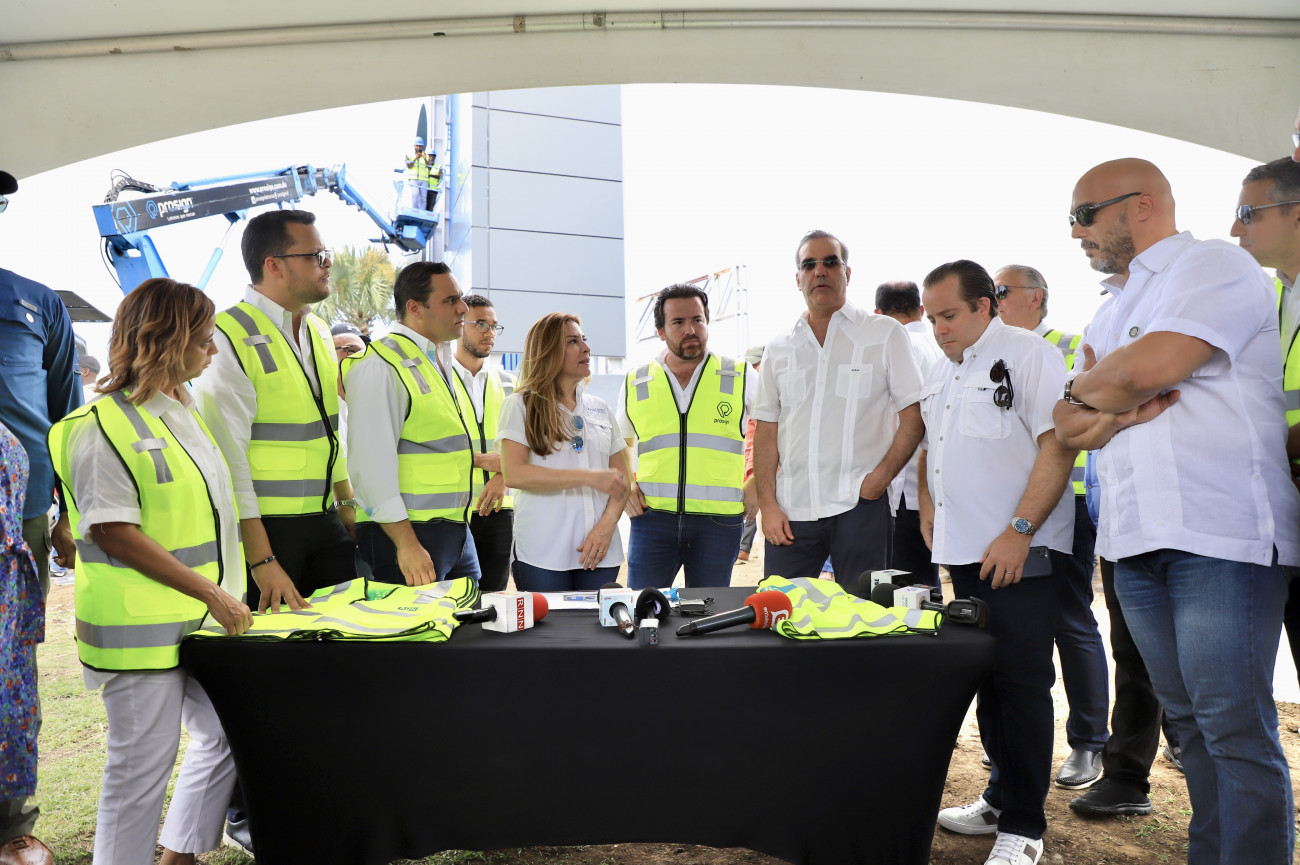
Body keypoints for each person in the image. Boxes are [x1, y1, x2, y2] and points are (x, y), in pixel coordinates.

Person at [1054, 157, 1299, 865]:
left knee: (1233, 729)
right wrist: (1108, 404)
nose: (1075, 232)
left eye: (1083, 215)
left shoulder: (1213, 265)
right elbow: (1066, 422)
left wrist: (1102, 390)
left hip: (1218, 536)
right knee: (1190, 727)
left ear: (1140, 206)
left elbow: (1144, 370)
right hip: (1133, 541)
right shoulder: (1109, 308)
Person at [47, 277, 252, 865]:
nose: (213, 350)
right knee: (140, 770)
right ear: (166, 339)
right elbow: (115, 532)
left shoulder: (185, 411)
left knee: (227, 732)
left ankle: (177, 855)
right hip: (139, 631)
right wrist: (212, 592)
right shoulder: (97, 426)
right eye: (204, 339)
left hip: (202, 620)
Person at [920, 260, 1077, 865]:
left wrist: (1020, 531)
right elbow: (935, 448)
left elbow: (1057, 446)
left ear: (985, 304)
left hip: (1019, 553)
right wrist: (929, 506)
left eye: (949, 315)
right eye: (932, 319)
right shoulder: (943, 369)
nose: (939, 329)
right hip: (965, 555)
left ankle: (1024, 827)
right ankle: (998, 798)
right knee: (988, 680)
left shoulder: (1030, 355)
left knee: (1022, 685)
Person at [193, 209, 358, 615]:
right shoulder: (225, 335)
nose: (327, 264)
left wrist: (346, 508)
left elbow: (331, 431)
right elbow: (229, 462)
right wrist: (262, 560)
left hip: (327, 523)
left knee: (344, 640)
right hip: (267, 533)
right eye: (315, 255)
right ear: (274, 265)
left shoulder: (319, 331)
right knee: (275, 648)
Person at [752, 230, 924, 593]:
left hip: (861, 506)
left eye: (831, 262)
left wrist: (879, 481)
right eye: (809, 265)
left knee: (867, 614)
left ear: (847, 273)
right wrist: (768, 504)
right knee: (781, 613)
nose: (820, 271)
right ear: (797, 278)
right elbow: (766, 430)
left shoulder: (884, 334)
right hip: (792, 511)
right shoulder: (779, 347)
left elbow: (914, 415)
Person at [991, 264, 1109, 789]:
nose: (993, 300)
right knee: (1015, 629)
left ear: (1036, 297)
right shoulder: (989, 354)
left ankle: (1089, 742)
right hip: (1009, 511)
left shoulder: (1069, 346)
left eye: (1001, 291)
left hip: (1066, 504)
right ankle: (1015, 746)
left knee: (1070, 620)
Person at [0, 168, 79, 858]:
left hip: (20, 520)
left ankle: (10, 823)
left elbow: (66, 420)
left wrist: (67, 514)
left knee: (11, 672)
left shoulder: (35, 302)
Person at [343, 262, 479, 586]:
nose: (463, 308)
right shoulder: (381, 365)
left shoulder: (438, 359)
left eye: (460, 298)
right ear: (415, 308)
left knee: (470, 615)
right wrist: (406, 544)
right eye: (450, 300)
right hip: (409, 536)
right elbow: (369, 468)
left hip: (453, 531)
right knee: (416, 621)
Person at [618, 284, 756, 589]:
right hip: (652, 520)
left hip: (719, 522)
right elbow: (621, 442)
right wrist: (626, 483)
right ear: (661, 332)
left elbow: (779, 429)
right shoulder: (637, 380)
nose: (690, 329)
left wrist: (758, 482)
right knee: (645, 607)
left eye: (698, 320)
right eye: (678, 322)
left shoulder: (740, 374)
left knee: (708, 610)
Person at [1230, 156, 1300, 691]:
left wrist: (1271, 445)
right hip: (1283, 505)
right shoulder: (1264, 299)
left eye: (1248, 213)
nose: (1236, 229)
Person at [499, 313, 629, 591]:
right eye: (573, 341)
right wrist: (588, 477)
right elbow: (515, 474)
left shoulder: (600, 408)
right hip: (542, 555)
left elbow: (622, 481)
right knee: (549, 622)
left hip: (599, 552)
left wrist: (605, 529)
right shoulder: (519, 405)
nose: (586, 348)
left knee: (597, 620)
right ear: (547, 351)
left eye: (584, 339)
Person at [874, 280, 942, 587]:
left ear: (878, 315)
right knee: (925, 580)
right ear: (922, 309)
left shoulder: (898, 346)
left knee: (905, 587)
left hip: (903, 488)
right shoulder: (938, 346)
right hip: (932, 484)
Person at [451, 294, 516, 593]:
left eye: (494, 326)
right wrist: (476, 460)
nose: (489, 332)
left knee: (494, 601)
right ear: (458, 325)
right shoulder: (439, 379)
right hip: (452, 510)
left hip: (500, 509)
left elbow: (531, 443)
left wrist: (504, 475)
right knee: (453, 601)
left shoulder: (511, 384)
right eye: (480, 324)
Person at [736, 344, 765, 564]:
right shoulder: (751, 397)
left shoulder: (766, 396)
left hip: (768, 471)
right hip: (755, 470)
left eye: (756, 365)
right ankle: (744, 549)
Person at [404, 137, 434, 211]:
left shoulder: (426, 156)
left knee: (423, 198)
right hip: (413, 179)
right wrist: (415, 158)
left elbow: (429, 167)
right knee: (415, 194)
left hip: (424, 180)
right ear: (414, 146)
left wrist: (425, 158)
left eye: (420, 146)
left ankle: (422, 212)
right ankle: (415, 210)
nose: (418, 147)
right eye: (417, 146)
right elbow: (409, 166)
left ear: (422, 147)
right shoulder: (409, 155)